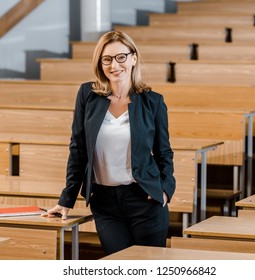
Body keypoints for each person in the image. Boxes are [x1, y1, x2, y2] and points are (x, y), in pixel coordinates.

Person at [42, 30, 175, 255]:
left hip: (145, 199)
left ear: (133, 58)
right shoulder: (88, 94)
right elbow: (78, 148)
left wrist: (164, 191)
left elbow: (163, 152)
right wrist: (67, 199)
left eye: (121, 57)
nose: (115, 65)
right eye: (107, 59)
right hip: (105, 203)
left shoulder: (153, 101)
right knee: (118, 266)